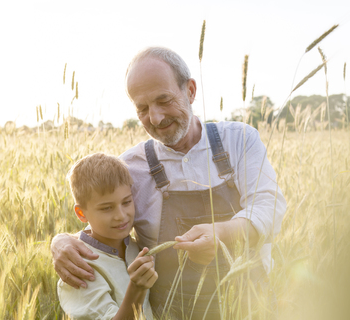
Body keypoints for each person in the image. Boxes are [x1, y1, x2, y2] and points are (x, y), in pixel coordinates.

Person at [52, 47, 286, 319]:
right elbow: (102, 219)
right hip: (174, 312)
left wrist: (222, 233)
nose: (156, 118)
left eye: (164, 100)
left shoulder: (240, 140)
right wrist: (60, 242)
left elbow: (269, 207)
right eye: (142, 109)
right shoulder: (130, 166)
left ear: (190, 90)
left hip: (250, 306)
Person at [57, 153, 157, 320]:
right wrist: (137, 288)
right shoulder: (78, 268)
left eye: (126, 202)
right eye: (106, 208)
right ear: (81, 213)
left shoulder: (134, 245)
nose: (121, 215)